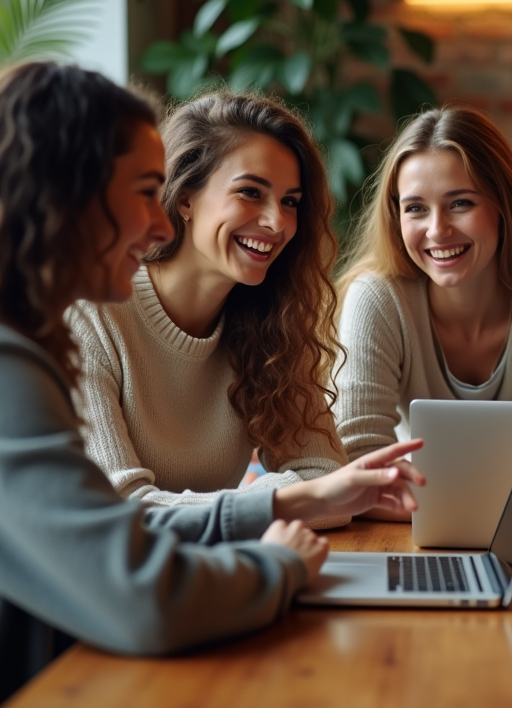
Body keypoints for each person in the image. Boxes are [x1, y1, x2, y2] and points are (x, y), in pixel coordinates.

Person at [0, 62, 423, 708]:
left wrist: (284, 505)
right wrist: (277, 559)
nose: (159, 223)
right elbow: (136, 587)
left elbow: (113, 543)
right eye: (147, 191)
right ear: (68, 193)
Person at [68, 92, 350, 525]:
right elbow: (120, 510)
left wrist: (271, 501)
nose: (277, 222)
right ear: (184, 198)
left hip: (205, 573)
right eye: (251, 192)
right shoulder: (94, 314)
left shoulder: (271, 325)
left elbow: (328, 476)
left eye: (290, 201)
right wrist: (274, 500)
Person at [334, 105, 512, 516]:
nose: (437, 230)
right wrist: (494, 497)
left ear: (501, 206)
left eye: (460, 203)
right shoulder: (377, 298)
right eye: (415, 208)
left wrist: (433, 495)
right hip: (410, 532)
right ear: (396, 216)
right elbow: (357, 464)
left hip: (466, 524)